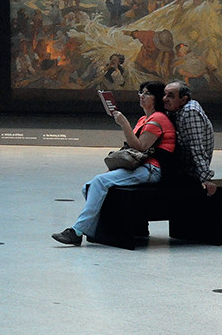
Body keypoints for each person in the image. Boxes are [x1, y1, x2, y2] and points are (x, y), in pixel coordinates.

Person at [52, 81, 176, 246]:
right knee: (88, 187)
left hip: (151, 169)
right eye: (141, 92)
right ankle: (96, 230)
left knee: (99, 182)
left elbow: (140, 147)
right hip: (140, 166)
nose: (142, 96)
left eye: (147, 93)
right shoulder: (144, 119)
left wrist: (124, 124)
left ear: (157, 98)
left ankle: (77, 231)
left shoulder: (158, 118)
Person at [164, 81, 216, 196]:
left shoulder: (190, 112)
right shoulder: (176, 110)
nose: (164, 99)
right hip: (183, 168)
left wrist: (205, 178)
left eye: (170, 96)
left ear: (183, 100)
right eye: (165, 94)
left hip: (190, 173)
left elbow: (197, 148)